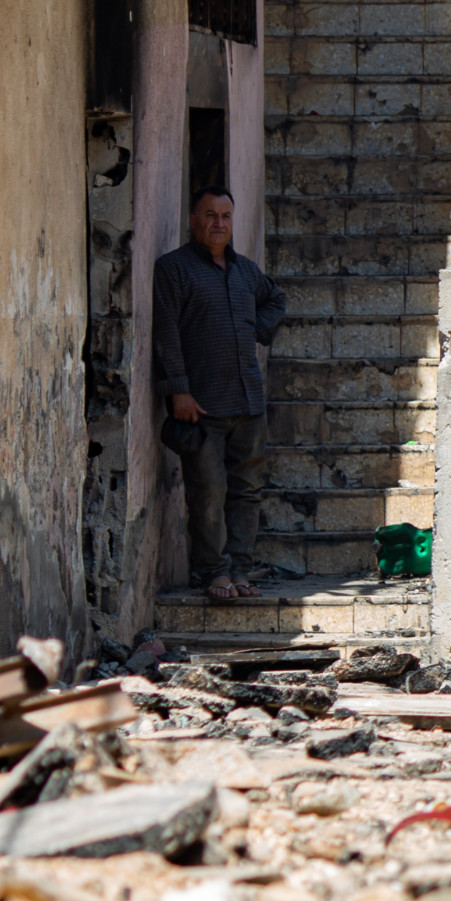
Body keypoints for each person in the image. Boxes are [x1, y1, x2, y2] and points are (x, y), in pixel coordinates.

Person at [153, 186, 287, 603]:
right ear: (193, 221)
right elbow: (167, 333)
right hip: (201, 405)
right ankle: (213, 572)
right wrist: (179, 390)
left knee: (246, 491)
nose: (218, 223)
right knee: (207, 492)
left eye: (226, 216)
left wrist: (257, 329)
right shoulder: (173, 269)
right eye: (209, 215)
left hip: (248, 400)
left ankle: (241, 569)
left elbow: (277, 299)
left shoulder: (246, 272)